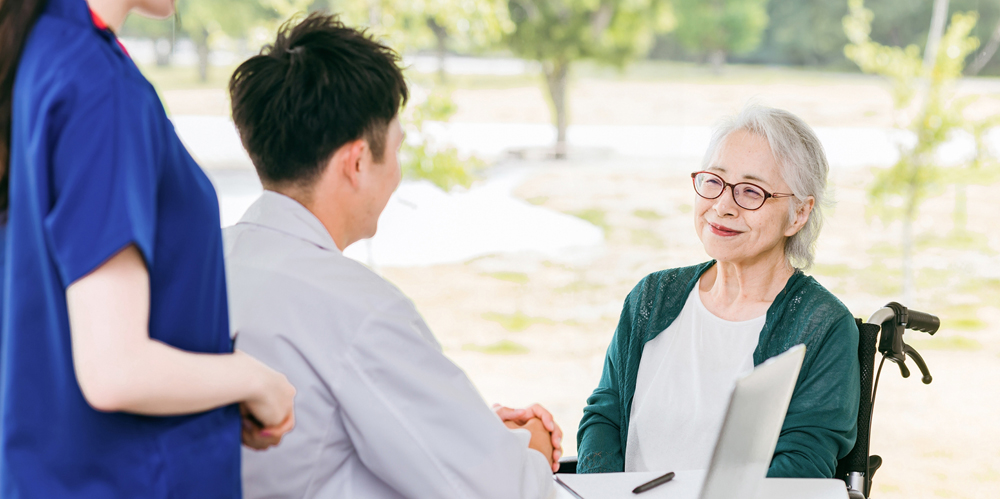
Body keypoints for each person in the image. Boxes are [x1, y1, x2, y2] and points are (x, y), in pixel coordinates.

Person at [224, 13, 563, 499]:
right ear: (358, 162)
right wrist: (527, 445)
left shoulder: (201, 262)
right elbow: (498, 490)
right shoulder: (358, 309)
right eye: (396, 151)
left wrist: (472, 434)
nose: (398, 173)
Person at [0, 0, 296, 496]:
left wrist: (213, 398)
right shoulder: (100, 87)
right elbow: (115, 371)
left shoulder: (41, 53)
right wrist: (255, 380)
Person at [576, 105, 860, 478]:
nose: (723, 206)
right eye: (714, 181)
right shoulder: (652, 296)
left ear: (799, 214)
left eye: (751, 191)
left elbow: (803, 466)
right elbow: (604, 415)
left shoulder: (824, 327)